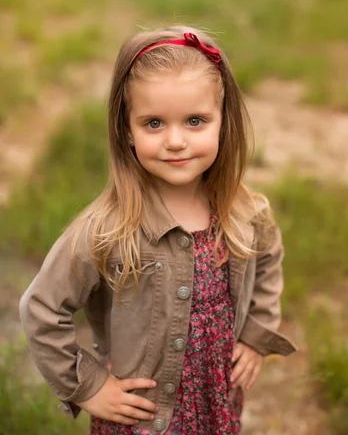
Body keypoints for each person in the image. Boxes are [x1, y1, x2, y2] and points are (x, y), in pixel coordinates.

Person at [19, 25, 297, 435]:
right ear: (126, 131)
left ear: (224, 123)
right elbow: (42, 307)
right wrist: (88, 386)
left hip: (215, 397)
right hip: (143, 416)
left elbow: (269, 258)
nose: (175, 140)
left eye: (195, 121)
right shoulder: (108, 228)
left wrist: (256, 334)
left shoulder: (243, 211)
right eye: (153, 124)